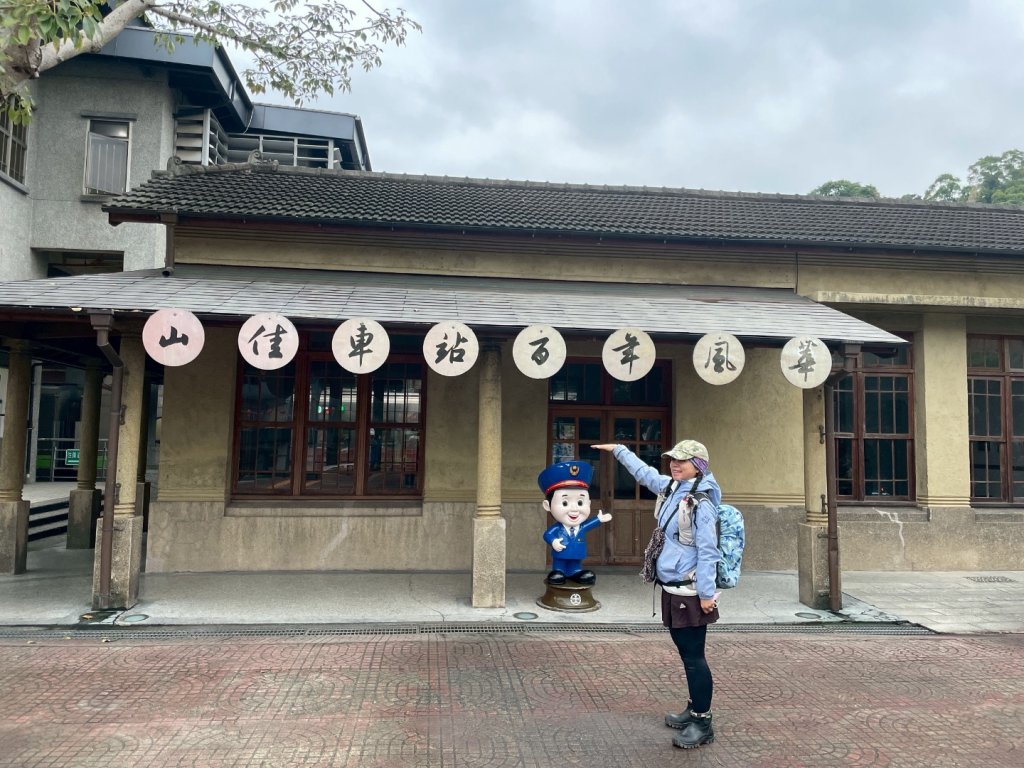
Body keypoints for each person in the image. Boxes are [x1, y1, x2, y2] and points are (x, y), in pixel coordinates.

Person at [592, 439, 720, 750]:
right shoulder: (674, 489)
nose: (675, 464)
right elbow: (645, 474)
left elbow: (708, 551)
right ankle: (693, 708)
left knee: (694, 657)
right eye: (673, 459)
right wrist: (620, 450)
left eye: (682, 461)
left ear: (698, 466)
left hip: (690, 591)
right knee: (686, 654)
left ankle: (702, 722)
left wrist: (706, 593)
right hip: (672, 586)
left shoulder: (700, 502)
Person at [538, 460, 612, 585]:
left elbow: (589, 525)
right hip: (560, 555)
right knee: (558, 571)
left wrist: (599, 519)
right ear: (547, 505)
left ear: (588, 503)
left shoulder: (581, 526)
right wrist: (554, 541)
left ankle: (575, 573)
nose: (574, 509)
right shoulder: (557, 528)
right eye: (565, 503)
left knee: (577, 568)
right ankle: (559, 572)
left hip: (577, 555)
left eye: (580, 502)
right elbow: (547, 534)